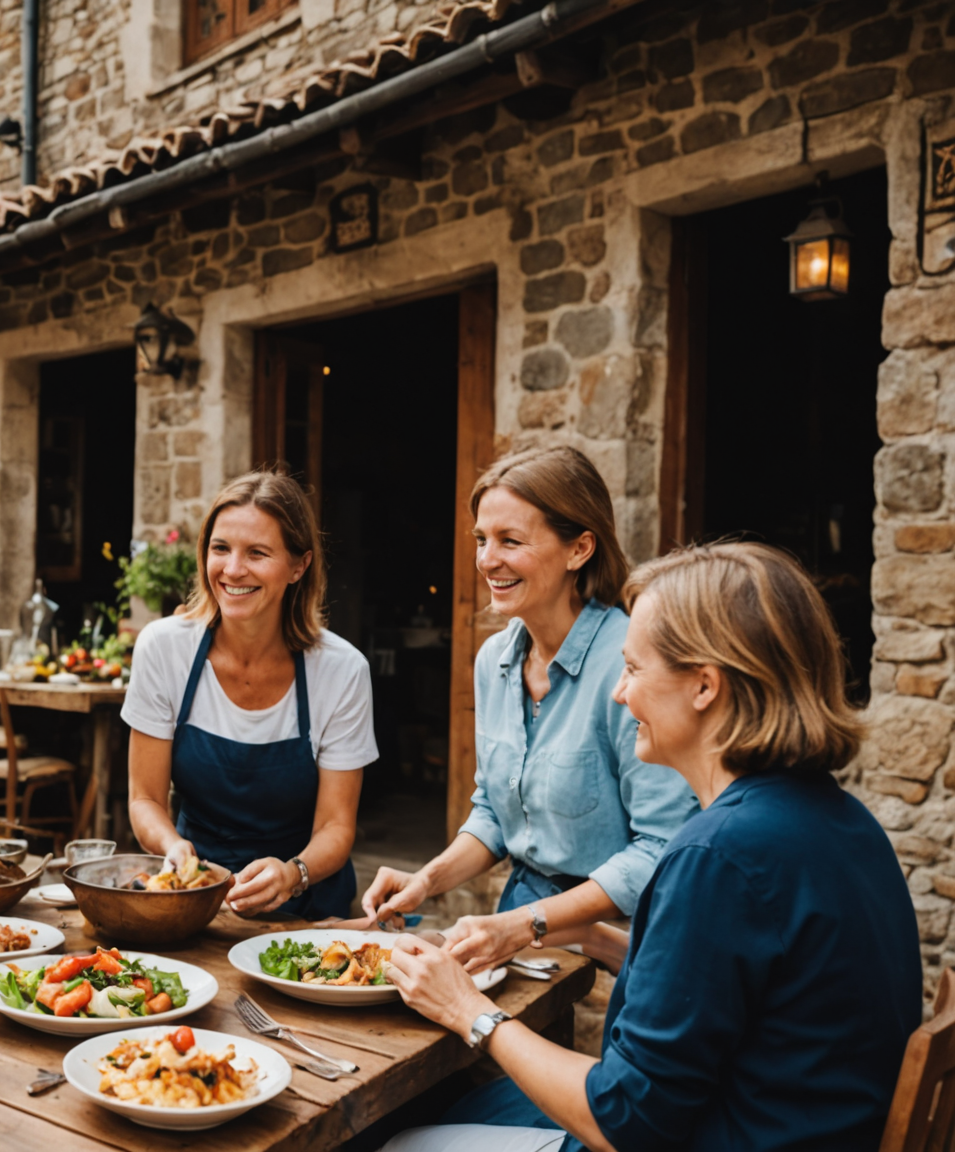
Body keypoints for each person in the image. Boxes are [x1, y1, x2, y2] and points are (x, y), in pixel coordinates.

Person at [377, 542, 918, 1152]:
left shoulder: (717, 856)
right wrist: (576, 935)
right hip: (785, 1120)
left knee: (396, 1141)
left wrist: (467, 1009)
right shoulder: (836, 817)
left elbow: (625, 1120)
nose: (618, 694)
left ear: (704, 687)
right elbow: (744, 984)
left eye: (633, 670)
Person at [358, 447, 695, 971]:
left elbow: (662, 847)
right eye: (481, 540)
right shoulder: (494, 658)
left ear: (580, 548)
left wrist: (532, 924)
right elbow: (494, 810)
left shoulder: (629, 662)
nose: (487, 559)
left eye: (510, 541)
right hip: (517, 924)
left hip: (618, 949)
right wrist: (426, 880)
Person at [123, 471, 377, 919]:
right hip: (195, 900)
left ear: (299, 566)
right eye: (220, 548)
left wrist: (293, 873)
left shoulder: (341, 670)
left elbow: (336, 827)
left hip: (307, 910)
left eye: (257, 553)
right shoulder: (164, 648)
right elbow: (144, 798)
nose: (233, 570)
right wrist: (173, 847)